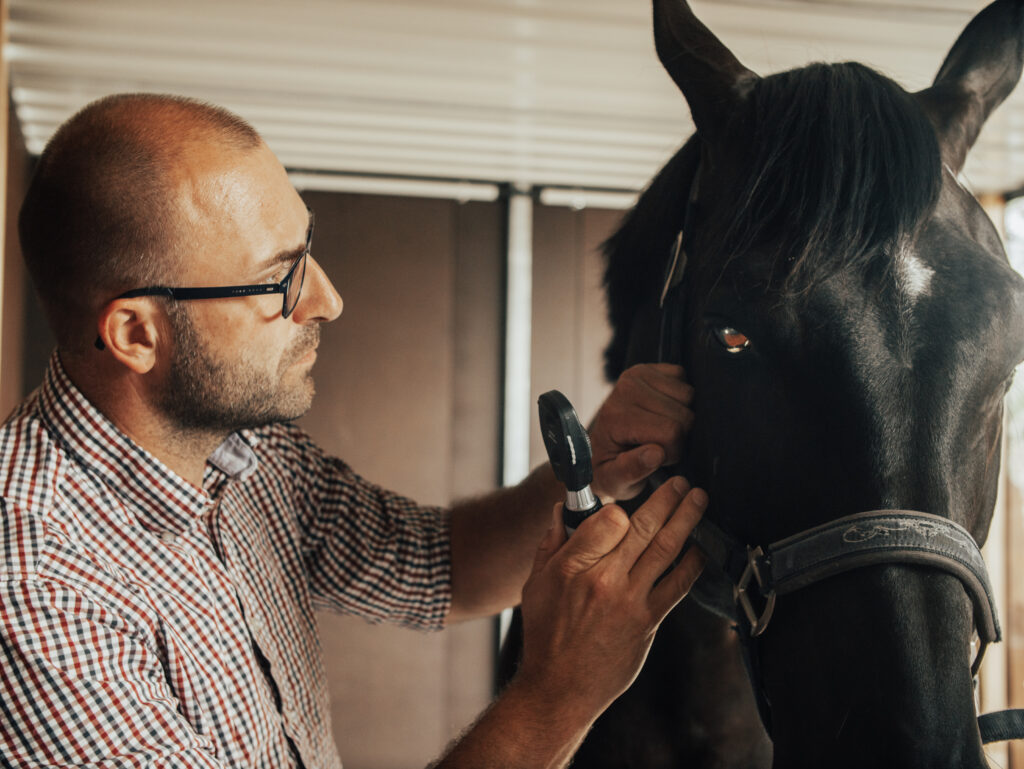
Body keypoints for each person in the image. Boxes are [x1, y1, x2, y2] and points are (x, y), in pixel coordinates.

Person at [0, 93, 706, 769]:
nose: (327, 300)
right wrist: (561, 692)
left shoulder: (242, 450)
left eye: (306, 248)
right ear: (135, 333)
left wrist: (592, 463)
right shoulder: (36, 591)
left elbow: (436, 568)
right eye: (278, 279)